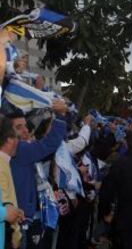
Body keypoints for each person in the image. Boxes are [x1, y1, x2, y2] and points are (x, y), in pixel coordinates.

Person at [8, 99, 67, 249]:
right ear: (6, 132)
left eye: (26, 126)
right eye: (19, 127)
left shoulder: (22, 148)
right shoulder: (20, 150)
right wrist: (60, 116)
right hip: (21, 219)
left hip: (23, 217)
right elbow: (49, 144)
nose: (26, 130)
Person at [0, 115, 25, 249]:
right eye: (16, 137)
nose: (18, 141)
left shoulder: (5, 163)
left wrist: (14, 211)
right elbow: (4, 206)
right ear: (9, 140)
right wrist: (15, 235)